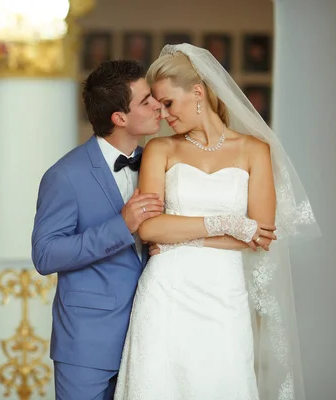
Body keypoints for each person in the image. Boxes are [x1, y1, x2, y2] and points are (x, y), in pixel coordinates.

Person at [114, 44, 320, 399]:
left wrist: (184, 234)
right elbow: (149, 228)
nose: (162, 115)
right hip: (167, 291)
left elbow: (261, 235)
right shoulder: (161, 150)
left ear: (197, 92)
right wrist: (225, 222)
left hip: (223, 292)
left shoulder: (254, 150)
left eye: (167, 103)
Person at [31, 60, 164, 400]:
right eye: (146, 100)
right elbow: (46, 255)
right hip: (87, 344)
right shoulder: (64, 176)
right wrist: (121, 226)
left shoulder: (158, 161)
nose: (158, 105)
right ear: (119, 118)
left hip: (151, 335)